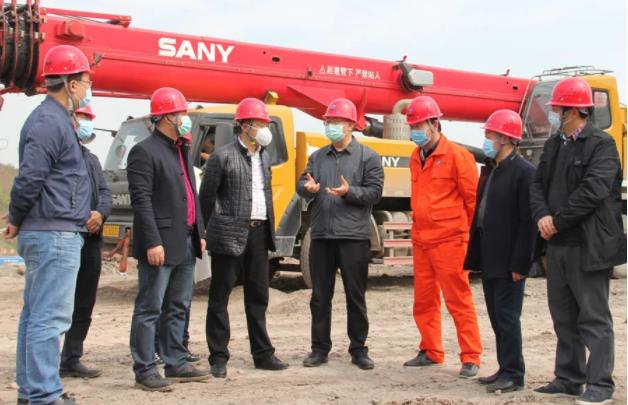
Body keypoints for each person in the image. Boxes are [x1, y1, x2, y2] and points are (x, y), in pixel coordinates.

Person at [4, 44, 93, 405]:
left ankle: (32, 391)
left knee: (35, 316)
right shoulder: (49, 121)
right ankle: (43, 393)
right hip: (54, 232)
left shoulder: (53, 120)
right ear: (71, 84)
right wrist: (15, 216)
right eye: (86, 81)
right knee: (49, 318)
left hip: (50, 229)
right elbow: (30, 178)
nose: (88, 89)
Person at [530, 77, 622, 405]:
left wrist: (556, 221)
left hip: (587, 245)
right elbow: (537, 184)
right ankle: (569, 378)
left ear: (572, 111)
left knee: (593, 318)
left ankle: (600, 384)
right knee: (563, 316)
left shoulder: (602, 145)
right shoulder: (554, 145)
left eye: (556, 109)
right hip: (558, 246)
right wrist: (542, 215)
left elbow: (593, 191)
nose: (552, 114)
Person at [200, 97, 288, 378]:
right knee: (220, 297)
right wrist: (201, 233)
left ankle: (263, 354)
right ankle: (218, 356)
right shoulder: (222, 157)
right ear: (244, 125)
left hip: (259, 235)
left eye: (265, 123)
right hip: (228, 235)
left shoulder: (264, 157)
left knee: (258, 297)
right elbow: (206, 199)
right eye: (260, 123)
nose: (264, 128)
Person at [128, 87, 209, 392]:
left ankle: (176, 362)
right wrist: (152, 241)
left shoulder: (181, 149)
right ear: (166, 117)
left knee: (178, 305)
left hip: (186, 239)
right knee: (150, 308)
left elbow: (191, 194)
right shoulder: (144, 151)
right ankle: (145, 368)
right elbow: (142, 201)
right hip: (160, 243)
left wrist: (199, 232)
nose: (185, 118)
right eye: (181, 113)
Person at [296, 98, 384, 370]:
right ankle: (319, 349)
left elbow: (375, 193)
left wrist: (349, 192)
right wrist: (307, 188)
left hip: (353, 237)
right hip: (322, 236)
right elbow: (302, 183)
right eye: (328, 122)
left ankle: (358, 350)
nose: (330, 126)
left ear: (350, 125)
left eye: (335, 122)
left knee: (355, 297)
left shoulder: (368, 157)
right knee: (319, 297)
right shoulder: (318, 156)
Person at [404, 95, 483, 378]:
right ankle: (430, 350)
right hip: (422, 239)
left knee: (458, 299)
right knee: (424, 300)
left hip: (450, 240)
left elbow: (473, 202)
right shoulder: (416, 157)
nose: (415, 130)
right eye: (412, 126)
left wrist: (472, 241)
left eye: (418, 125)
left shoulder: (458, 156)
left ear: (434, 123)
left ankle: (471, 356)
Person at [464, 109, 536, 392]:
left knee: (507, 318)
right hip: (490, 255)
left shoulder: (524, 173)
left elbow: (528, 223)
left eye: (490, 134)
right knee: (496, 317)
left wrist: (521, 263)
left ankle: (514, 374)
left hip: (509, 260)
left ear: (505, 138)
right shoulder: (492, 168)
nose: (486, 139)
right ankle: (505, 368)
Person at [60, 105, 112, 379]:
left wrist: (100, 213)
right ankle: (47, 360)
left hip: (91, 240)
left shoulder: (91, 159)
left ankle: (71, 357)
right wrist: (83, 217)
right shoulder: (59, 156)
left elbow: (105, 192)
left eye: (89, 119)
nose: (87, 124)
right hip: (67, 235)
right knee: (58, 302)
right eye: (83, 118)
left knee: (84, 301)